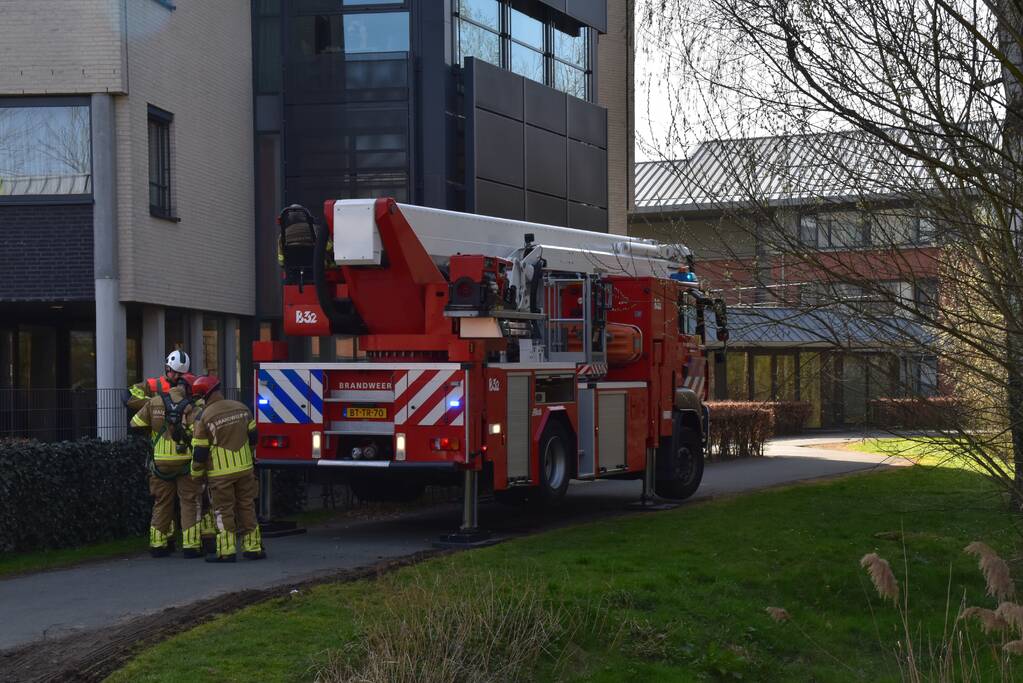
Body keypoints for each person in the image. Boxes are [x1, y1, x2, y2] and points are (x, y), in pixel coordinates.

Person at [190, 375, 266, 563]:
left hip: (220, 473)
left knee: (223, 511)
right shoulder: (241, 407)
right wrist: (248, 454)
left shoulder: (204, 416)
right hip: (245, 468)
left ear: (203, 396)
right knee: (247, 505)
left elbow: (199, 451)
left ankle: (227, 551)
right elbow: (254, 436)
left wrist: (196, 473)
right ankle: (253, 547)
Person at [130, 379, 206, 558]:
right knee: (189, 502)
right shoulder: (193, 405)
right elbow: (199, 431)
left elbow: (135, 424)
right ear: (186, 390)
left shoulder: (155, 402)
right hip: (185, 462)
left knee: (161, 503)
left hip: (160, 462)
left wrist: (154, 429)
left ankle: (157, 544)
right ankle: (191, 546)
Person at [126, 350, 194, 413]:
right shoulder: (153, 384)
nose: (176, 376)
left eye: (180, 374)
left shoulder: (187, 387)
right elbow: (129, 397)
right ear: (167, 368)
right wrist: (157, 403)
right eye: (174, 372)